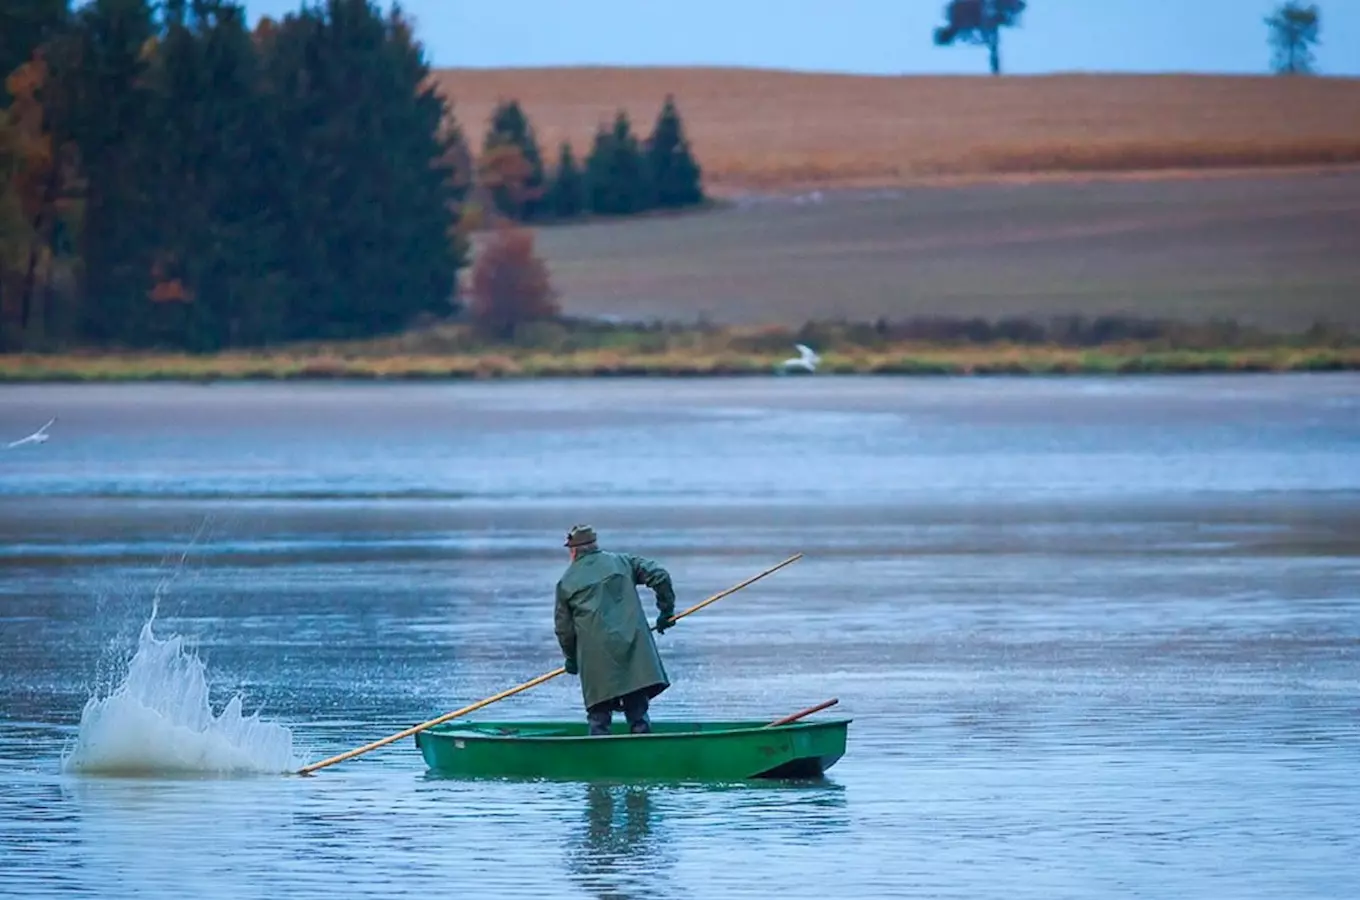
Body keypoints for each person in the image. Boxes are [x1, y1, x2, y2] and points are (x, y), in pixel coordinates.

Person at [554, 524, 677, 736]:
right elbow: (660, 575)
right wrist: (666, 611)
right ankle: (645, 756)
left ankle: (600, 761)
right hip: (633, 651)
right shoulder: (622, 562)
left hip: (595, 661)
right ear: (594, 545)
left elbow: (564, 630)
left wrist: (571, 658)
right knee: (638, 714)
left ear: (573, 551)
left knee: (598, 718)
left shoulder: (566, 582)